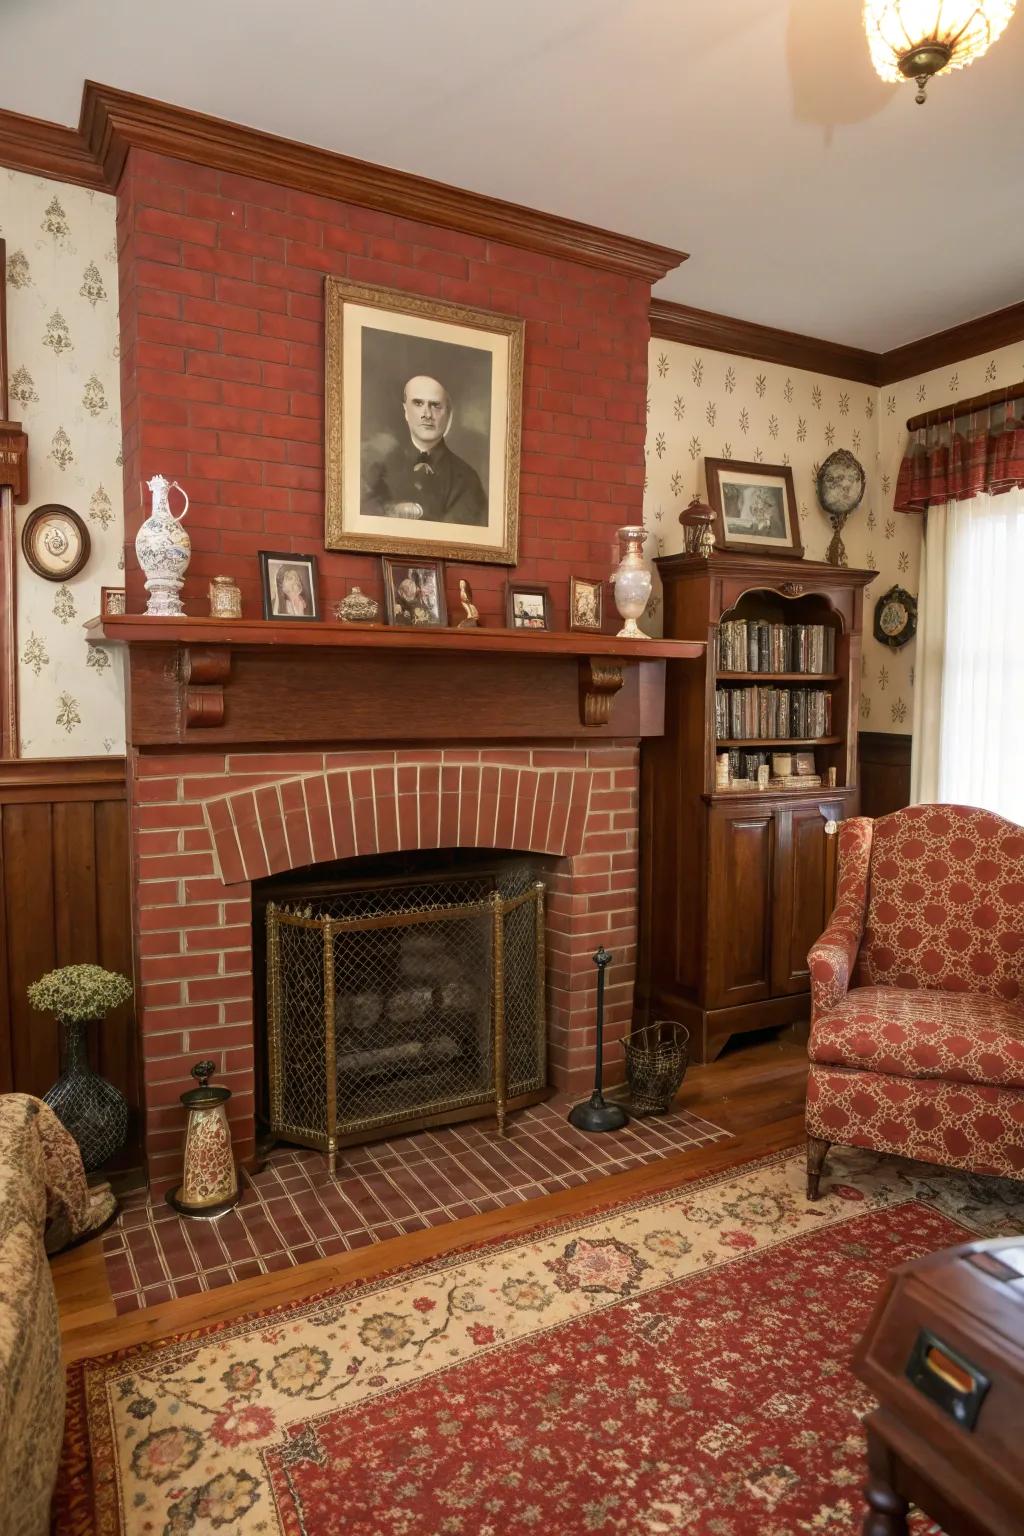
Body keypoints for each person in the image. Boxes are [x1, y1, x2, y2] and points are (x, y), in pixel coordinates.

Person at [363, 375, 488, 526]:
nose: (427, 414)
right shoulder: (382, 468)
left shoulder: (467, 480)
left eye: (435, 405)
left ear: (448, 414)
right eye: (418, 403)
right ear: (405, 411)